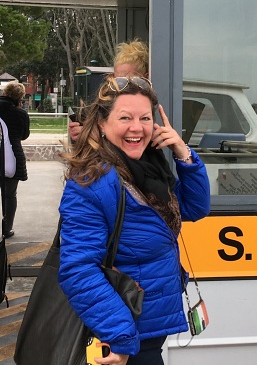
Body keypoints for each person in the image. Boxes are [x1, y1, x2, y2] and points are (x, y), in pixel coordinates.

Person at [58, 75, 210, 364]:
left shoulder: (149, 168)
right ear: (102, 123)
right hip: (125, 335)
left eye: (145, 118)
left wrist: (183, 153)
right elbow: (78, 269)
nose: (137, 128)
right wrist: (120, 335)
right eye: (125, 117)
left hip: (148, 326)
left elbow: (195, 208)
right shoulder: (92, 182)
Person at [69, 40, 149, 142]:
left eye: (127, 81)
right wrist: (85, 134)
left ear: (145, 78)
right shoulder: (106, 103)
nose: (120, 87)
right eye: (116, 80)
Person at [0, 81, 30, 238]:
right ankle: (7, 229)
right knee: (10, 195)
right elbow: (24, 135)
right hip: (12, 157)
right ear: (20, 97)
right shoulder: (21, 114)